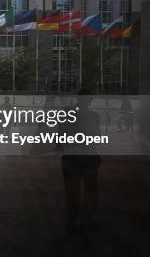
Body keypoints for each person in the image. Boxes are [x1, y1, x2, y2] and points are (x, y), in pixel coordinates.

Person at [61, 88, 101, 233]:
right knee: (90, 190)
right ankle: (87, 220)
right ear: (90, 100)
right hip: (88, 156)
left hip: (73, 157)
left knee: (72, 190)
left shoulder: (67, 114)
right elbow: (97, 137)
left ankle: (73, 220)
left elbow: (62, 138)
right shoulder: (94, 116)